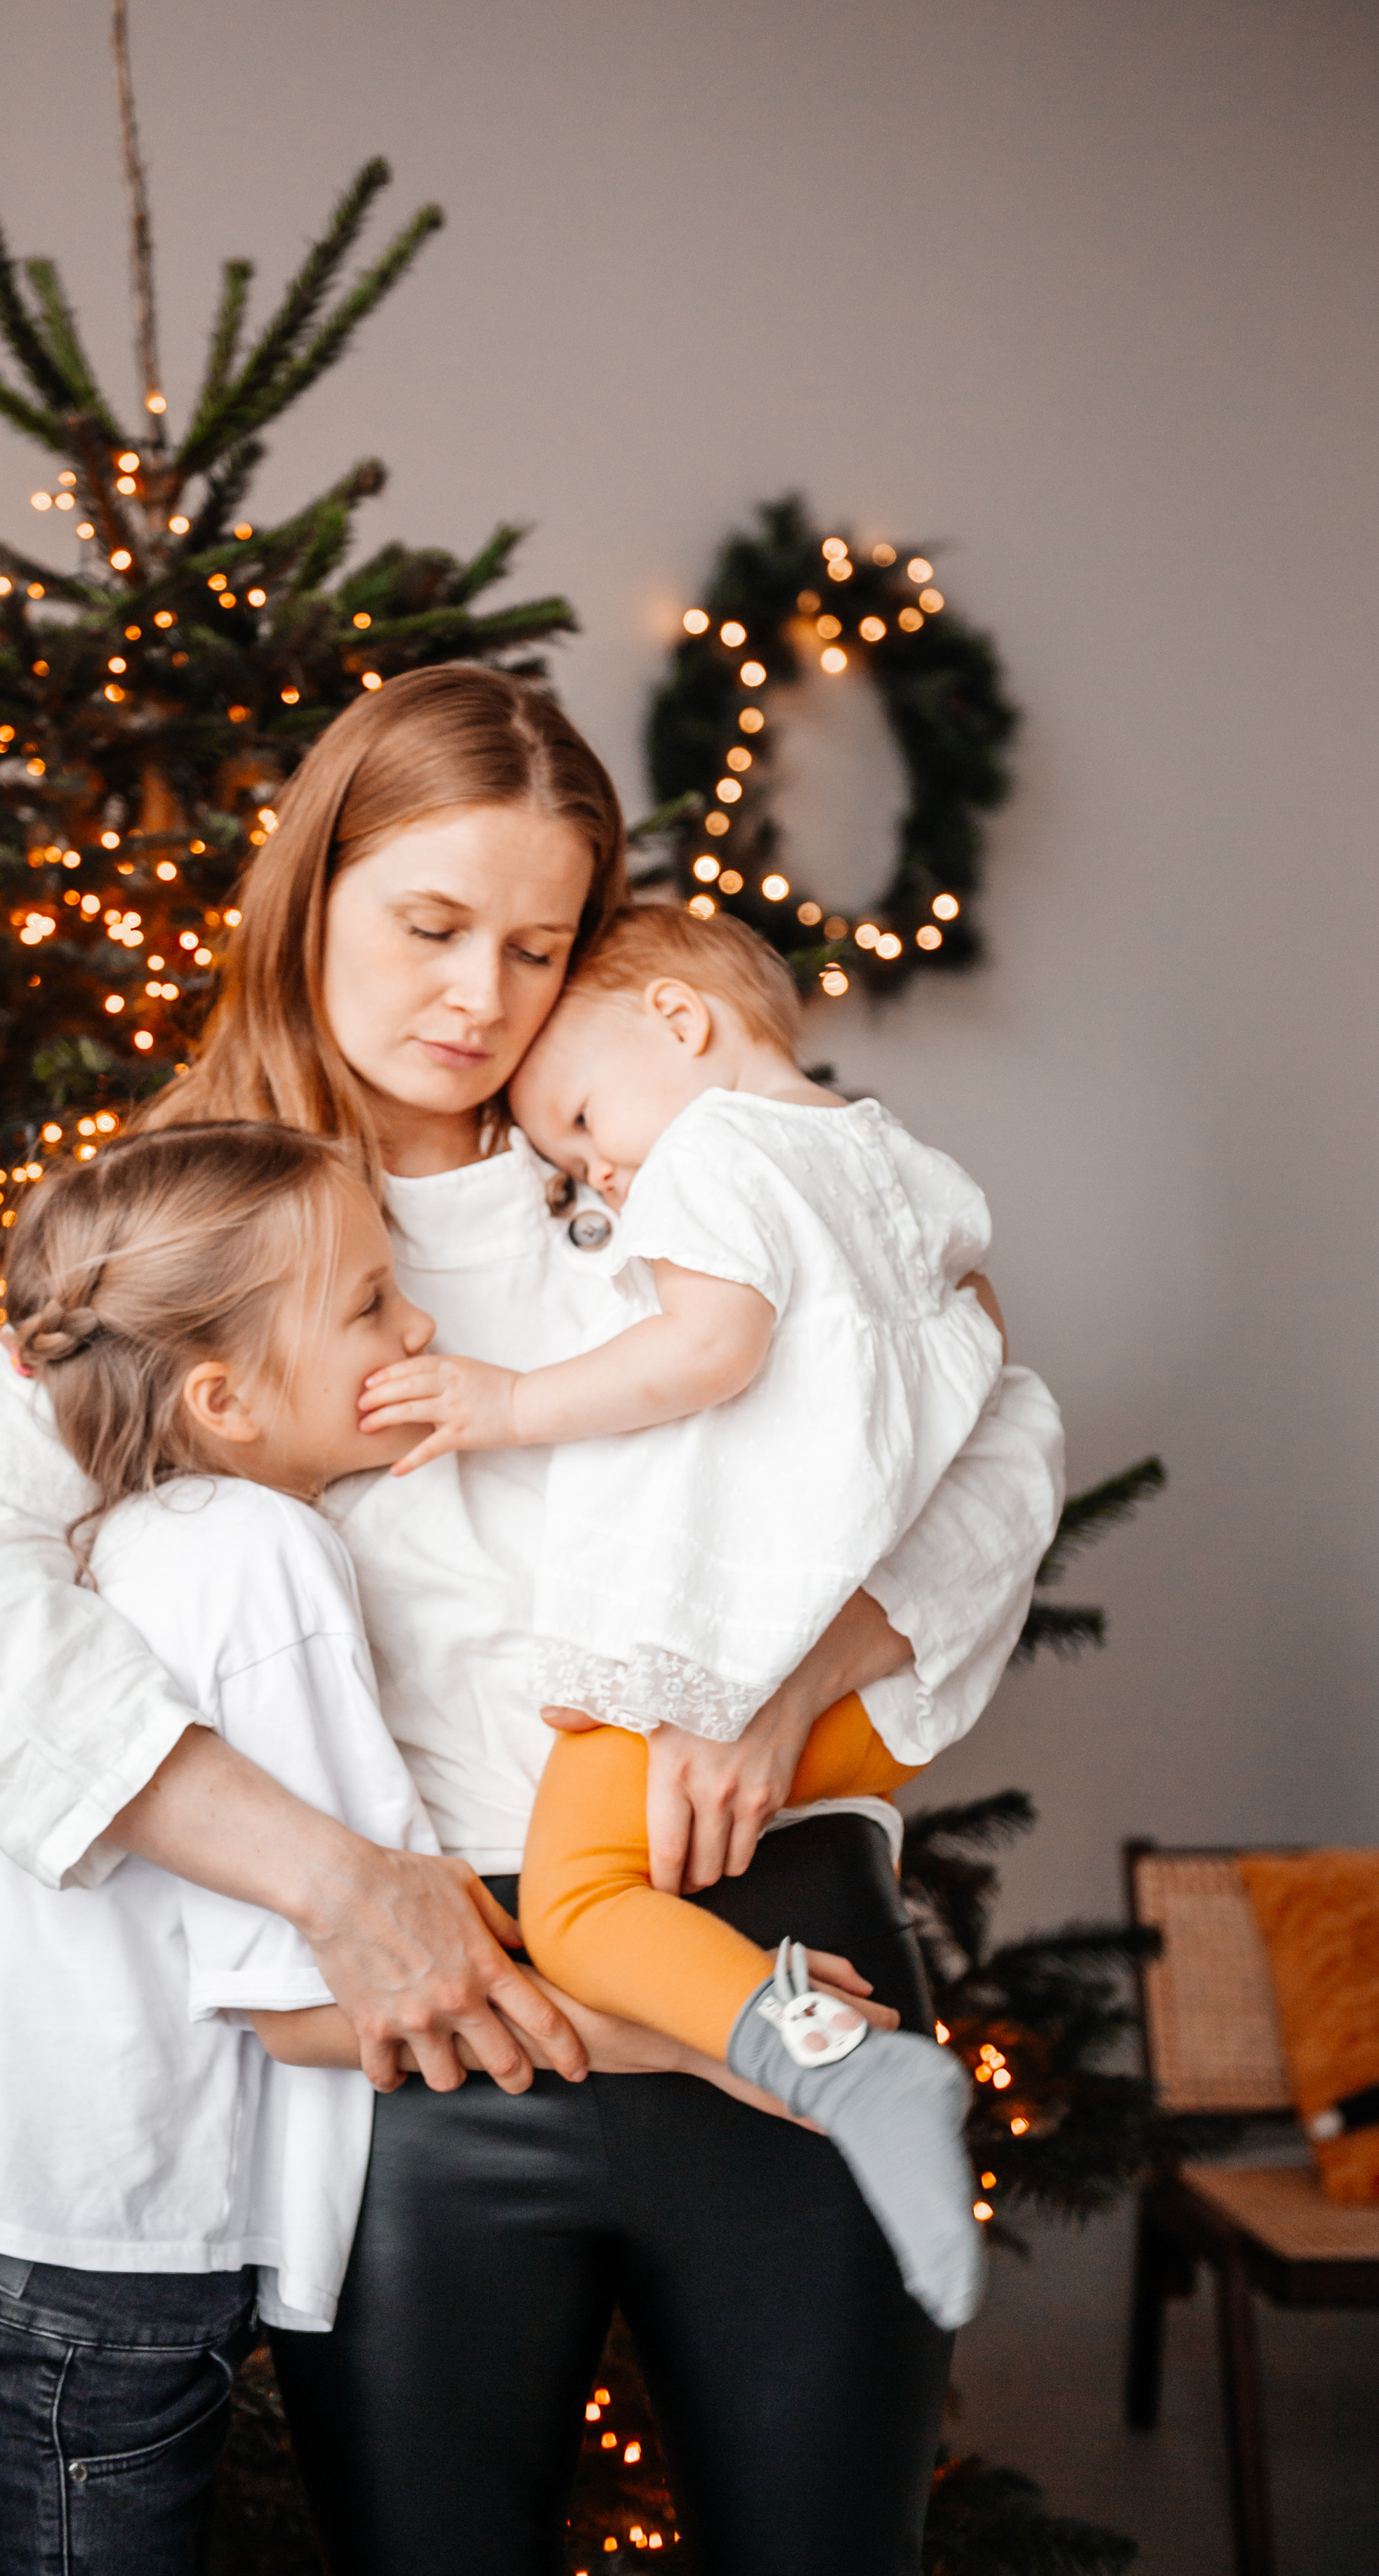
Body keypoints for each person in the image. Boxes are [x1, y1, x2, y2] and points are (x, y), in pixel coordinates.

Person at [0, 664, 1065, 2574]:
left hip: (776, 1943)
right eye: (429, 927)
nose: (481, 1002)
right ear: (312, 899)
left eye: (538, 945)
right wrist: (341, 1881)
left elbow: (1001, 1422)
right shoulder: (192, 1232)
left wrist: (789, 1681)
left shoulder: (677, 1157)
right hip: (427, 2016)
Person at [0, 1115, 885, 2572]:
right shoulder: (251, 1559)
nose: (417, 1327)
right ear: (218, 1397)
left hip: (49, 2309)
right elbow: (316, 2009)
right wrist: (722, 2034)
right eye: (365, 1305)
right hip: (74, 2342)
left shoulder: (151, 1532)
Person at [356, 898, 1020, 2329]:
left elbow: (710, 1348)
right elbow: (983, 1351)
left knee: (585, 1910)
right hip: (866, 1718)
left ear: (679, 1018)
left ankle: (841, 2063)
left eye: (584, 1118)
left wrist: (506, 1403)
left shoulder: (715, 1148)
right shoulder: (897, 1162)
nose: (598, 1172)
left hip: (704, 1665)